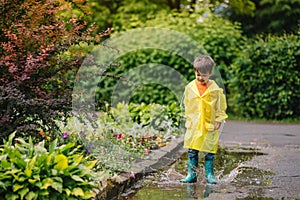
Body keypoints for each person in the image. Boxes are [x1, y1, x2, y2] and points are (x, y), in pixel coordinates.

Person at [180, 55, 228, 184]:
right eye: (198, 75)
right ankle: (192, 174)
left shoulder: (215, 89)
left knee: (209, 150)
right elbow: (186, 104)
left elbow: (220, 106)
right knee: (192, 150)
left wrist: (219, 119)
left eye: (204, 75)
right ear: (195, 71)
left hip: (209, 124)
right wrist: (187, 119)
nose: (200, 78)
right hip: (194, 124)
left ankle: (209, 174)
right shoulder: (190, 88)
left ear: (210, 73)